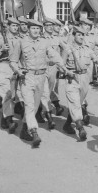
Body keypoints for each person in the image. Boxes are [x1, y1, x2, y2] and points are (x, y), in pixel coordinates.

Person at [9, 19, 68, 148]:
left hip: (41, 77)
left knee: (34, 107)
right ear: (28, 29)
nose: (35, 31)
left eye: (37, 29)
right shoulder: (21, 42)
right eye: (33, 28)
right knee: (30, 106)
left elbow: (54, 54)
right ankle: (34, 131)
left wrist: (62, 66)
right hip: (27, 77)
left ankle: (25, 129)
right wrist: (18, 72)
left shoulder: (44, 42)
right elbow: (12, 61)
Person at [61, 26, 98, 142]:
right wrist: (67, 72)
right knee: (75, 102)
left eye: (83, 35)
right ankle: (80, 127)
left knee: (77, 103)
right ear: (73, 36)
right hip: (72, 78)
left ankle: (67, 124)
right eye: (79, 35)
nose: (81, 37)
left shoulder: (87, 49)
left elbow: (97, 59)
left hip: (84, 78)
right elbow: (61, 65)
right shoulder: (67, 49)